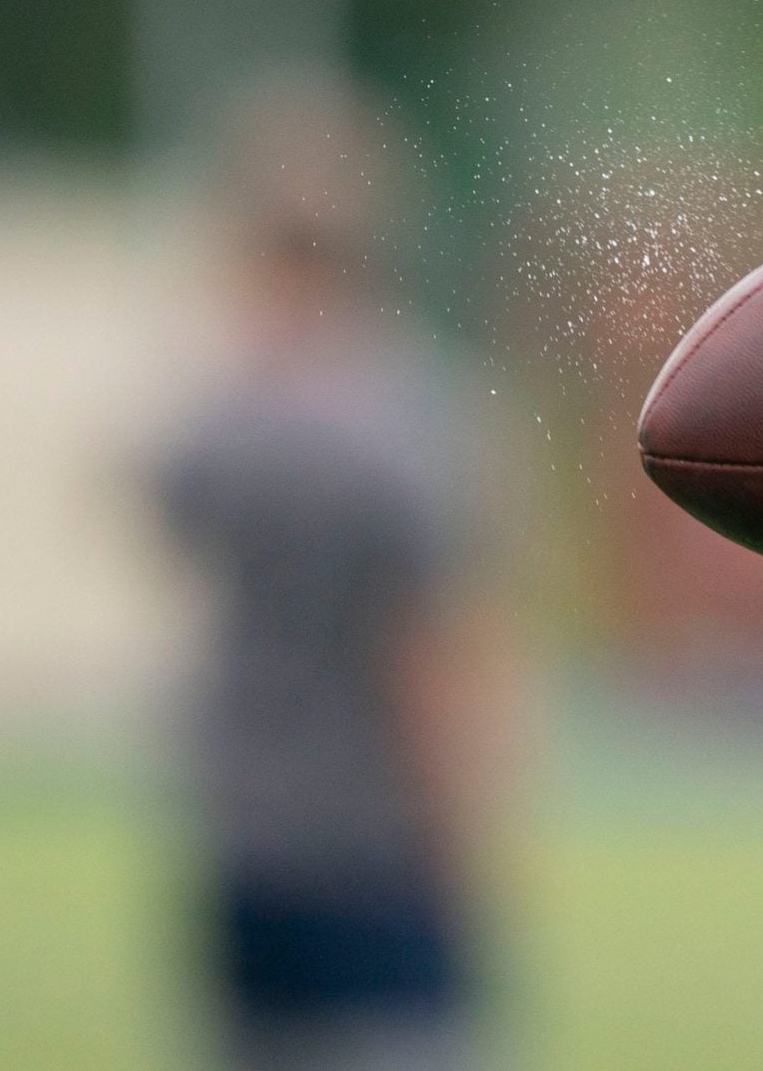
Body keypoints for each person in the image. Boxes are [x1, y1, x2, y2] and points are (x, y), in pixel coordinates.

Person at [157, 88, 507, 1071]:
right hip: (376, 855)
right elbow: (433, 654)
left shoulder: (221, 423)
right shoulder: (412, 424)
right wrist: (470, 851)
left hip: (246, 842)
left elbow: (165, 510)